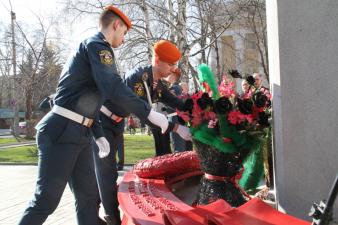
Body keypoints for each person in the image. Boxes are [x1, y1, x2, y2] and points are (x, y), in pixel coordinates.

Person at [18, 5, 190, 225]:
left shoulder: (98, 51)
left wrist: (97, 132)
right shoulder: (98, 45)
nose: (124, 39)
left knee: (89, 200)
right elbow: (112, 87)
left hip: (80, 131)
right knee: (46, 201)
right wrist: (151, 115)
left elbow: (91, 101)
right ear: (116, 25)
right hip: (61, 130)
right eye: (124, 33)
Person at [125, 40, 188, 156]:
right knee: (107, 172)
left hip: (116, 123)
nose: (173, 69)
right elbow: (144, 112)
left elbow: (174, 101)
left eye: (174, 65)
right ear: (157, 61)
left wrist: (198, 111)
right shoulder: (138, 78)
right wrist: (177, 128)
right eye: (170, 64)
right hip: (105, 122)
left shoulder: (156, 82)